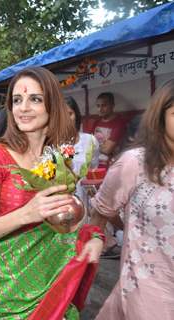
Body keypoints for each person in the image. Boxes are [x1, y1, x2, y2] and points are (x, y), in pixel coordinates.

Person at [0, 67, 103, 319]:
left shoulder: (54, 158)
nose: (23, 108)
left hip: (50, 284)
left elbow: (62, 218)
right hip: (1, 295)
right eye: (17, 100)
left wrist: (93, 236)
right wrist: (27, 214)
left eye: (35, 99)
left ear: (53, 105)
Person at [88, 79, 174, 320]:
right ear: (159, 118)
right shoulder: (134, 163)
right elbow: (100, 212)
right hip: (149, 293)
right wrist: (96, 239)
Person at [65, 97, 100, 202]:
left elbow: (93, 171)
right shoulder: (53, 144)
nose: (66, 119)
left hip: (86, 200)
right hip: (63, 203)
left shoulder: (90, 141)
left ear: (76, 115)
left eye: (70, 114)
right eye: (61, 116)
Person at [91, 92, 126, 168]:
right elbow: (88, 143)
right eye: (98, 106)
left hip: (111, 165)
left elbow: (107, 149)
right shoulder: (96, 122)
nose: (100, 109)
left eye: (104, 105)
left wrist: (94, 146)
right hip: (95, 163)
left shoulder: (119, 123)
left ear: (112, 106)